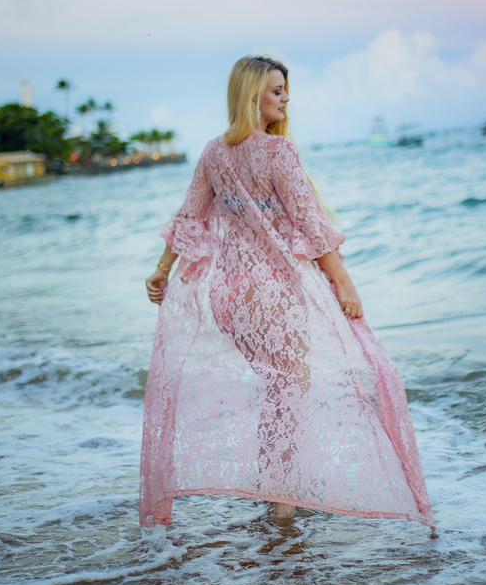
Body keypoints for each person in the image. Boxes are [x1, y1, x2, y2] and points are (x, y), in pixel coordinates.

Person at [140, 56, 434, 528]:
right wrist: (344, 283)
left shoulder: (214, 152)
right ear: (252, 95)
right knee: (289, 390)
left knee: (277, 388)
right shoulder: (278, 152)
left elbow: (188, 217)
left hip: (229, 297)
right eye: (277, 90)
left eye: (285, 89)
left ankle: (275, 488)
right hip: (271, 291)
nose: (285, 98)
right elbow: (309, 223)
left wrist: (161, 270)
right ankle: (282, 501)